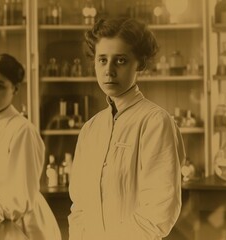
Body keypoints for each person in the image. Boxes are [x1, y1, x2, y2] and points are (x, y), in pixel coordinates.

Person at [68, 18, 185, 240]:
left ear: (139, 64)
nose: (109, 71)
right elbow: (79, 208)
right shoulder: (90, 129)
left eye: (120, 60)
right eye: (102, 60)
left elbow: (159, 210)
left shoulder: (155, 122)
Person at [0, 53, 61, 240]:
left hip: (26, 225)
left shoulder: (23, 130)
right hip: (1, 222)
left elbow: (22, 195)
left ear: (15, 89)